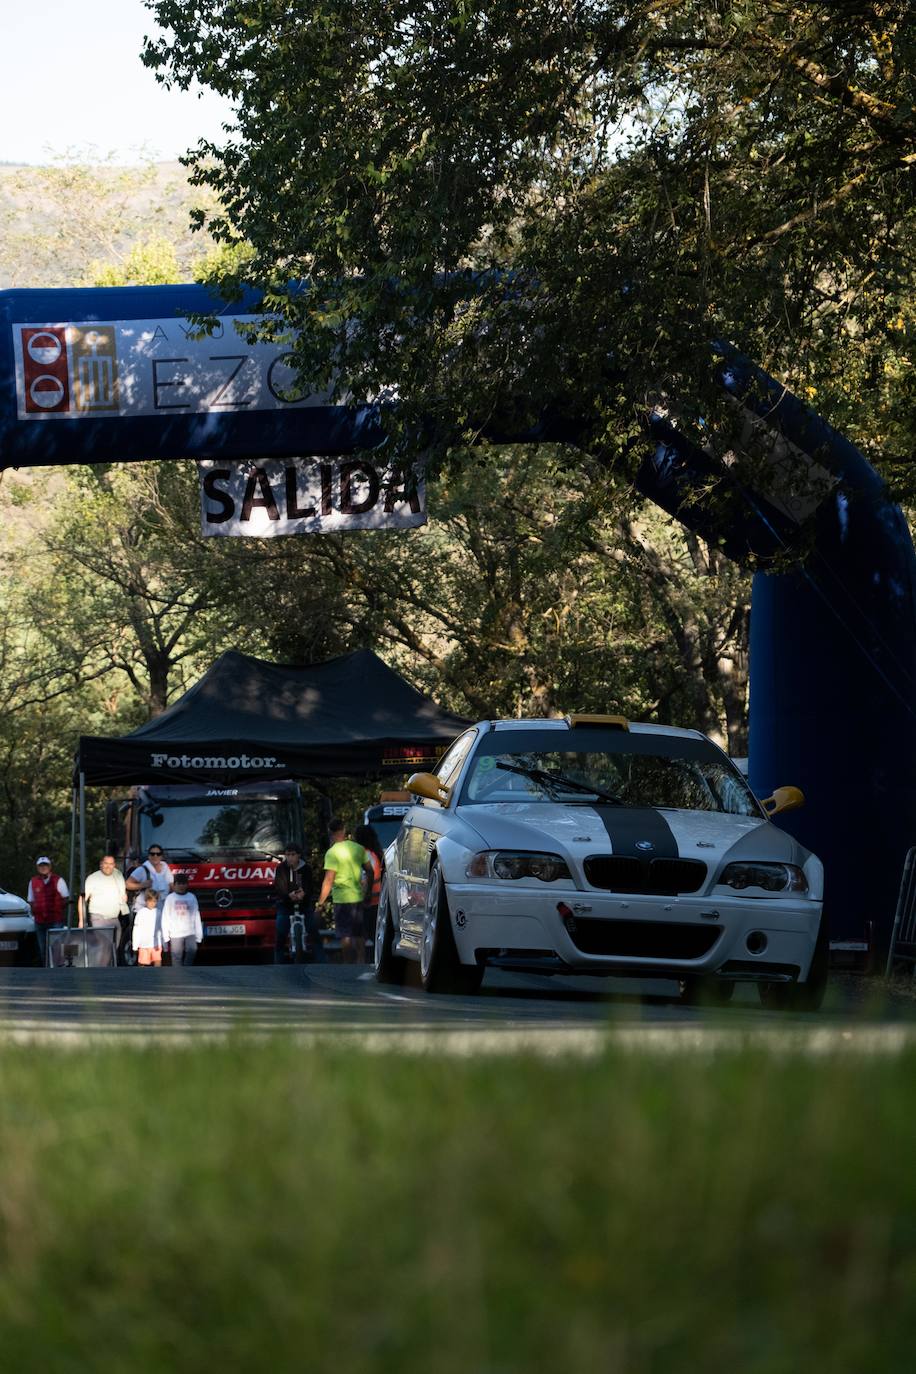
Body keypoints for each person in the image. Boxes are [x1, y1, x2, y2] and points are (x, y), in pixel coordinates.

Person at [317, 818, 374, 963]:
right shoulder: (358, 848)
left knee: (345, 934)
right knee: (359, 933)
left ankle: (348, 965)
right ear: (343, 830)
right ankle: (361, 962)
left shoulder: (332, 853)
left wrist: (321, 902)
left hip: (341, 899)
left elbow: (329, 879)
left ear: (331, 833)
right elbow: (370, 871)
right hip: (357, 897)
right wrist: (367, 891)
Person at [124, 844, 172, 966]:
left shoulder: (166, 869)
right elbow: (128, 884)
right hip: (144, 911)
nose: (155, 856)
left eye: (158, 854)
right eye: (152, 854)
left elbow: (171, 887)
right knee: (146, 943)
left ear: (162, 855)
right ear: (149, 856)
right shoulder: (143, 870)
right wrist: (142, 885)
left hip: (161, 911)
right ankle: (144, 972)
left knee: (159, 942)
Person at [270, 842, 318, 963]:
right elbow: (279, 887)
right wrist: (288, 896)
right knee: (280, 936)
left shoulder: (306, 868)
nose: (290, 857)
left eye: (293, 854)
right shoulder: (281, 868)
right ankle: (278, 964)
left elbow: (310, 887)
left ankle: (322, 965)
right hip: (285, 905)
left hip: (304, 905)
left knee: (314, 933)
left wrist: (304, 893)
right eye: (287, 855)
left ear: (299, 856)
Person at [78, 855, 128, 962]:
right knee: (104, 945)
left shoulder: (118, 875)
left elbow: (123, 893)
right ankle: (100, 972)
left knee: (114, 947)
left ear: (114, 865)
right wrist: (81, 920)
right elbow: (82, 899)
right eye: (106, 863)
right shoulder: (93, 878)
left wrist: (124, 897)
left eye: (111, 864)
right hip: (99, 917)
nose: (108, 866)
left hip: (114, 918)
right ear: (101, 864)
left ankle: (108, 970)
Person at [27, 855, 69, 967]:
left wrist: (57, 910)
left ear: (50, 866)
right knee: (43, 948)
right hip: (40, 921)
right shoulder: (33, 881)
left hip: (55, 920)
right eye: (41, 866)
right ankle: (46, 970)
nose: (43, 868)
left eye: (45, 865)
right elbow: (30, 900)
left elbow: (65, 898)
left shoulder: (58, 880)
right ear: (37, 867)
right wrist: (35, 912)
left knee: (57, 946)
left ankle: (59, 967)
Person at [160, 873, 203, 966]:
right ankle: (177, 976)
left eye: (183, 883)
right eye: (179, 883)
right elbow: (165, 917)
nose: (181, 886)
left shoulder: (191, 897)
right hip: (175, 933)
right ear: (174, 885)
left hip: (190, 932)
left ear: (187, 885)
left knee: (192, 950)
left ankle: (187, 969)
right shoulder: (170, 898)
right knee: (176, 956)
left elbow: (196, 915)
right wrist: (166, 936)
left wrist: (199, 934)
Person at [353, 824, 383, 953]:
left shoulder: (363, 855)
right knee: (375, 934)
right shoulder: (375, 854)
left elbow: (364, 878)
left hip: (367, 901)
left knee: (362, 936)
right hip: (377, 900)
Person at [132, 888, 165, 967]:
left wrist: (164, 944)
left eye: (154, 901)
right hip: (144, 944)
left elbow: (162, 929)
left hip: (156, 944)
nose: (152, 903)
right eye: (150, 901)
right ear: (146, 900)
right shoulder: (141, 913)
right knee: (142, 964)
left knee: (157, 961)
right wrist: (135, 945)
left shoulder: (159, 912)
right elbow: (137, 930)